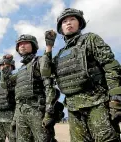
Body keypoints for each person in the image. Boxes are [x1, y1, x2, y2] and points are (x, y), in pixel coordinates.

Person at [44, 8, 121, 142]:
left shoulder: (91, 39)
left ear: (79, 23)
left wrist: (115, 98)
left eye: (72, 19)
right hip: (74, 109)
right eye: (64, 21)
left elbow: (111, 67)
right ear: (61, 28)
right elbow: (46, 73)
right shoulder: (60, 54)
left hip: (97, 103)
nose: (68, 23)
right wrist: (49, 47)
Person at [0, 34, 62, 142]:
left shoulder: (39, 61)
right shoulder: (21, 70)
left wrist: (48, 112)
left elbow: (49, 85)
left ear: (33, 46)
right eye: (20, 44)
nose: (22, 46)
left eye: (26, 43)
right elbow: (5, 84)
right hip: (21, 111)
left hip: (37, 109)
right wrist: (6, 65)